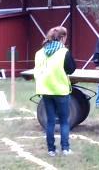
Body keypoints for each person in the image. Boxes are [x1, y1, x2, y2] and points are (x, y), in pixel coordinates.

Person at [33, 26, 76, 157]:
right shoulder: (64, 52)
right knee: (64, 121)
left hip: (45, 89)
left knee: (50, 121)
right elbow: (71, 69)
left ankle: (51, 149)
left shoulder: (39, 52)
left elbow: (37, 70)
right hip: (60, 89)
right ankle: (66, 148)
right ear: (62, 38)